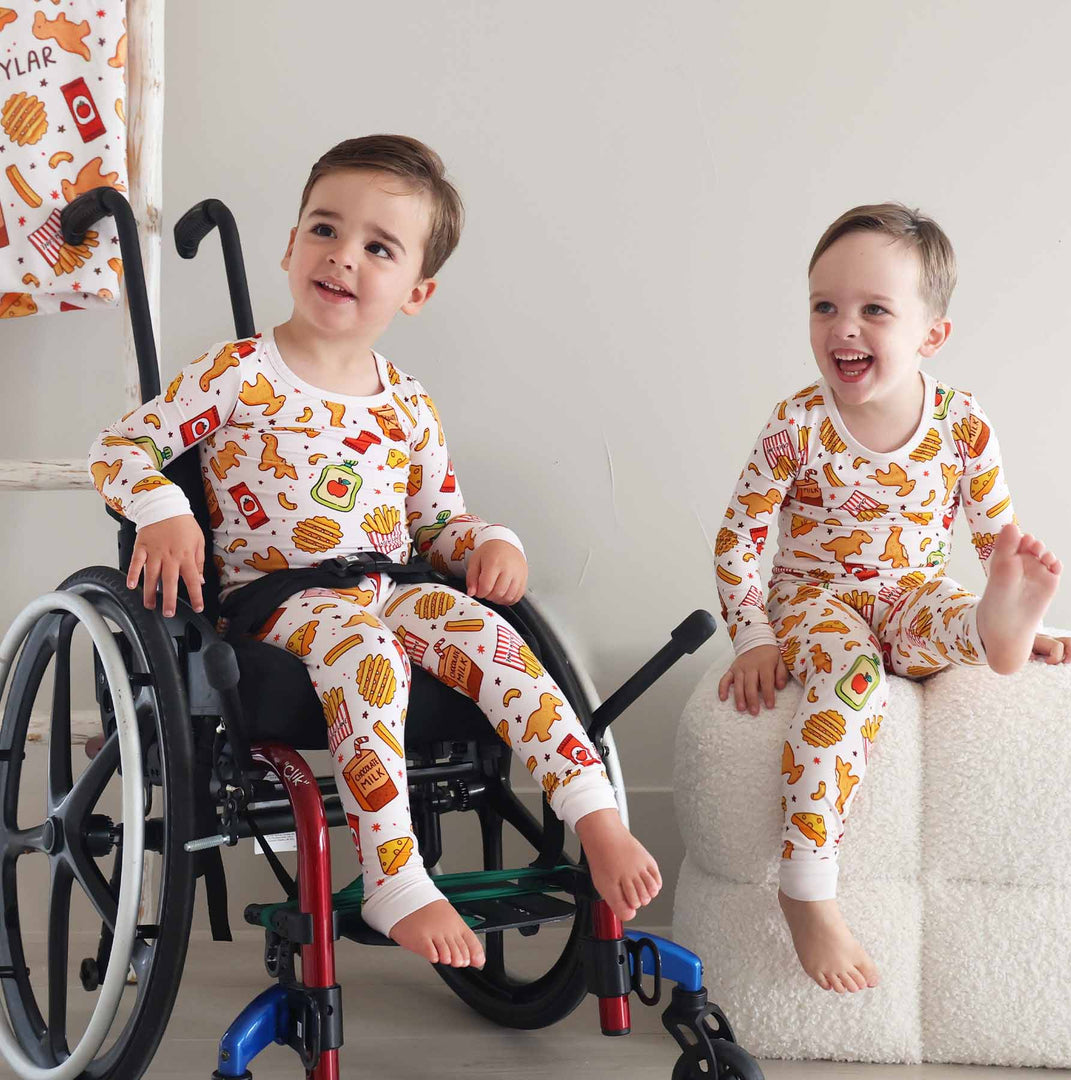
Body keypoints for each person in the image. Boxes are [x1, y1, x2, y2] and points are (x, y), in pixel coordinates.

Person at [89, 134, 660, 969]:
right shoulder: (236, 374)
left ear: (416, 291)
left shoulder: (407, 404)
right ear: (290, 247)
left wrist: (490, 542)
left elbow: (437, 526)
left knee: (491, 638)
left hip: (392, 584)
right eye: (324, 230)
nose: (343, 257)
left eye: (378, 247)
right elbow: (119, 449)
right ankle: (396, 880)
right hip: (282, 602)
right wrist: (163, 507)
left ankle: (594, 815)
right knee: (369, 657)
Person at [713, 203, 1071, 994]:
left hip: (912, 592)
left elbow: (994, 540)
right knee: (851, 682)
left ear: (930, 336)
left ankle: (1002, 634)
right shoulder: (796, 427)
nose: (844, 327)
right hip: (815, 599)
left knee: (962, 614)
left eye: (874, 309)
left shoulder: (961, 423)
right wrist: (754, 639)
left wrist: (1010, 601)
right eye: (825, 307)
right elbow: (738, 543)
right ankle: (807, 889)